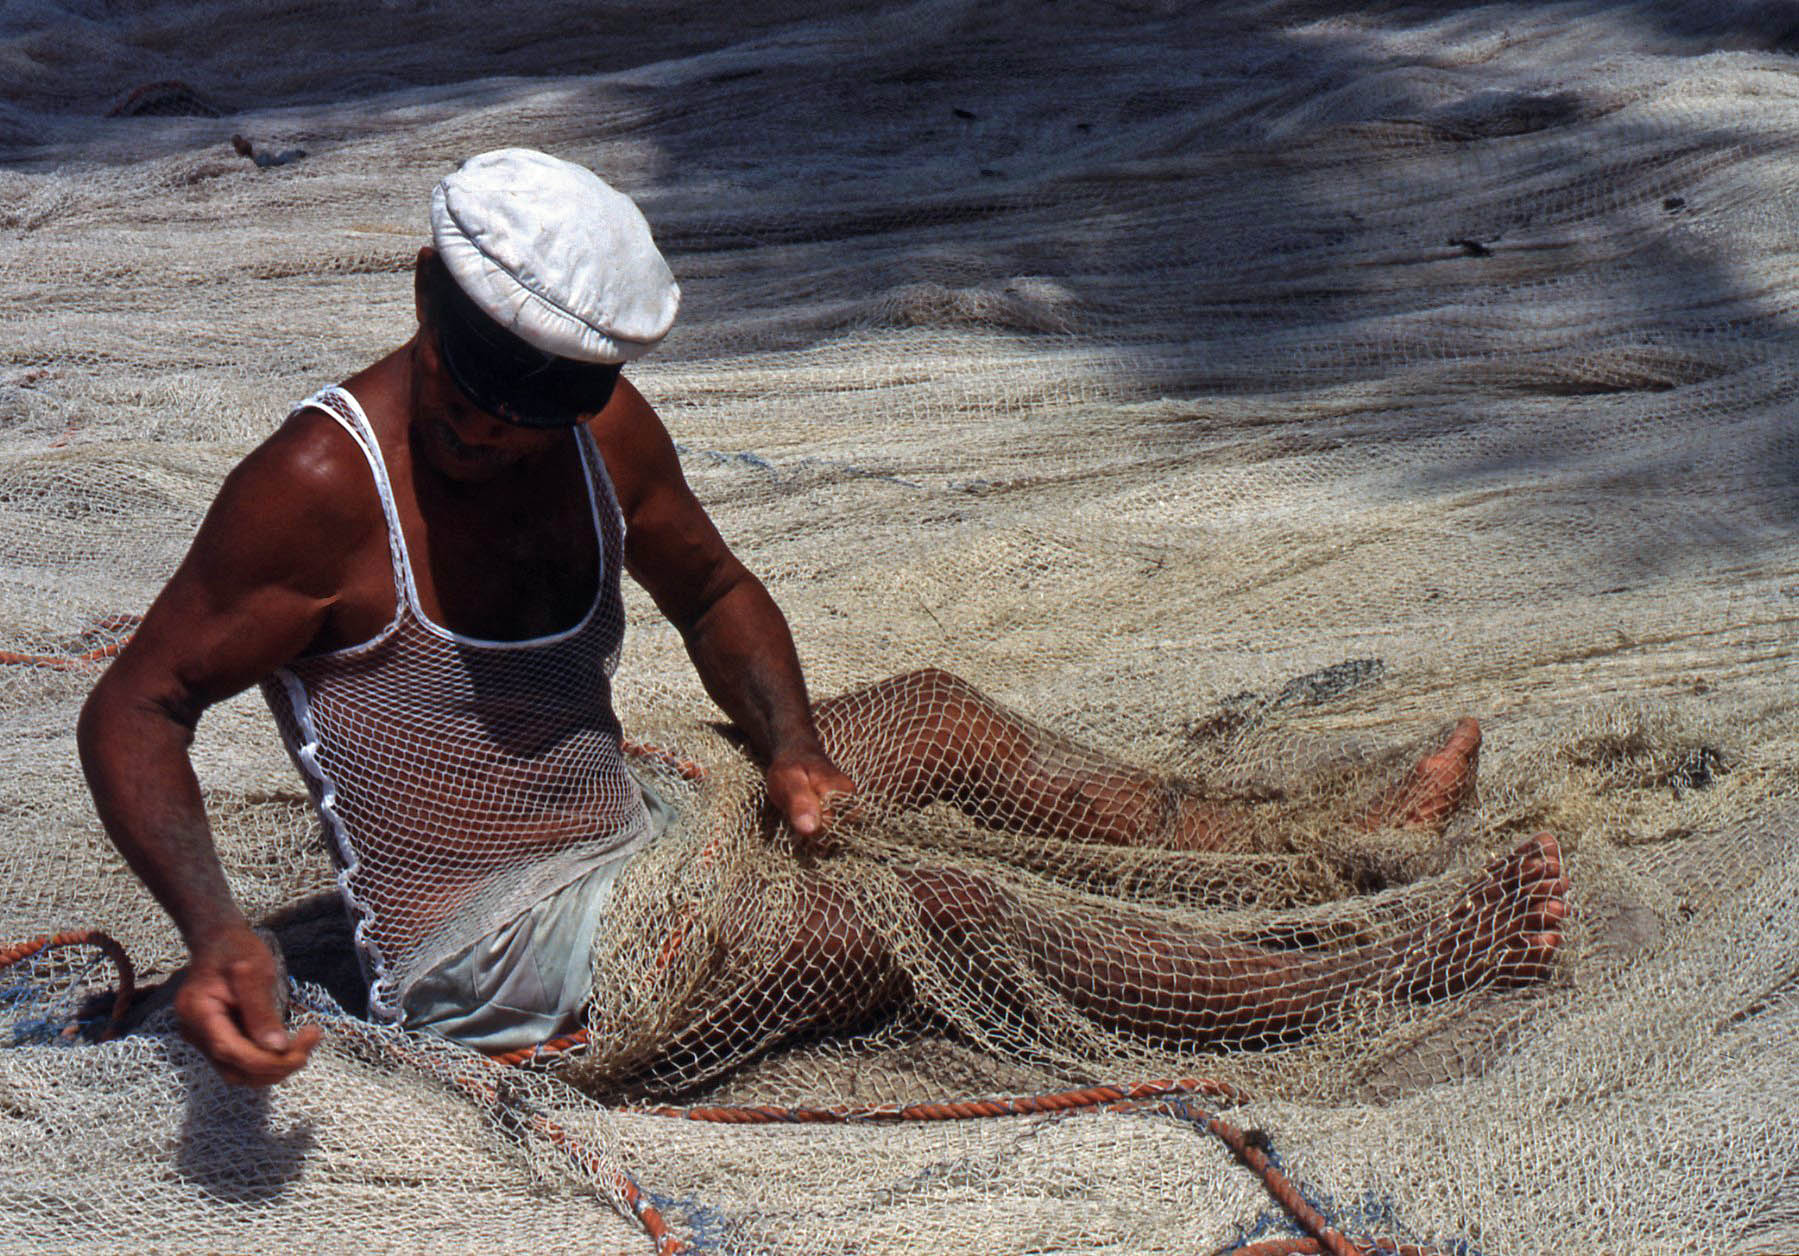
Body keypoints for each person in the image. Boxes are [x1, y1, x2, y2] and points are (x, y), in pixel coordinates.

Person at [77, 149, 1568, 1090]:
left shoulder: (602, 436)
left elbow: (716, 591)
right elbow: (134, 707)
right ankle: (1391, 962)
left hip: (644, 835)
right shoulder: (319, 485)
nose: (490, 431)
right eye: (469, 390)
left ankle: (1319, 849)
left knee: (930, 714)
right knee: (937, 910)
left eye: (540, 407)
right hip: (503, 961)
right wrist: (211, 931)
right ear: (424, 294)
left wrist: (789, 746)